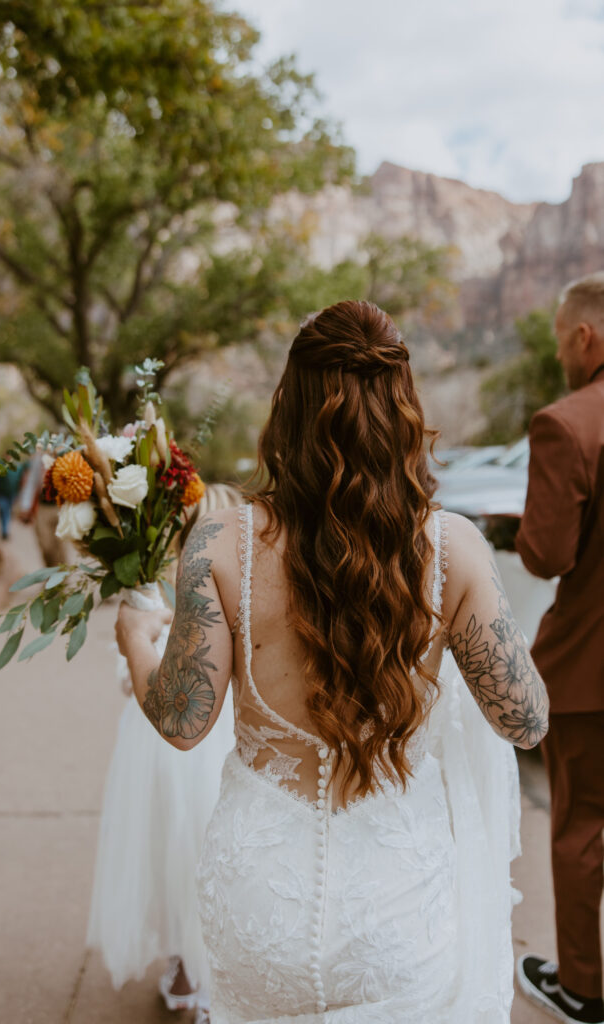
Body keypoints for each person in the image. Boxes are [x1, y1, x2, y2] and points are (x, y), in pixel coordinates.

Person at [116, 300, 549, 1023]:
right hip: (397, 906)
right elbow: (526, 720)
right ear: (405, 408)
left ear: (287, 406)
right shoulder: (452, 549)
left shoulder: (218, 541)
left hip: (260, 899)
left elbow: (182, 722)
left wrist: (136, 642)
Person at [87, 483, 240, 1021]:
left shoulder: (168, 588)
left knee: (185, 850)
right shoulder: (159, 589)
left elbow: (128, 674)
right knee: (188, 853)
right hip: (175, 743)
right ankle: (191, 964)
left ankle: (198, 967)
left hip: (178, 740)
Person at [514, 273, 604, 1024]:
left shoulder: (566, 423)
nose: (558, 358)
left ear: (586, 336)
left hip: (590, 669)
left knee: (580, 830)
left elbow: (543, 555)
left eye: (558, 341)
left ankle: (581, 988)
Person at [0, 458, 25, 540]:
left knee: (7, 512)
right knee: (4, 511)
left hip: (12, 495)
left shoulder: (17, 467)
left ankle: (5, 531)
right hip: (1, 494)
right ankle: (4, 531)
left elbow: (20, 481)